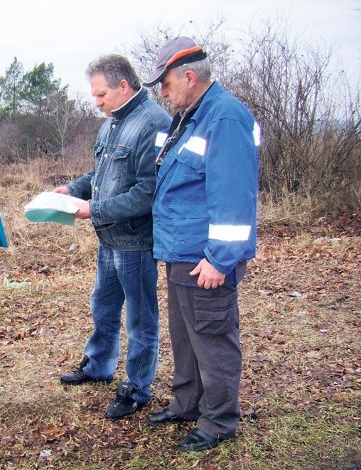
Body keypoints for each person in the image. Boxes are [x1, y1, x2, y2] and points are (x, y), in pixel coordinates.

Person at [143, 37, 260, 452]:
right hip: (179, 251)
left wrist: (220, 259)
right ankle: (187, 402)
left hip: (205, 258)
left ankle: (219, 420)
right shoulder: (190, 116)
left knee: (212, 338)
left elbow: (234, 195)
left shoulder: (224, 117)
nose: (162, 93)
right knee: (185, 336)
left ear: (189, 77)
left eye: (166, 84)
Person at [54, 54, 171, 420]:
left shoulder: (154, 123)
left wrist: (95, 210)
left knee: (140, 318)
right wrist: (72, 190)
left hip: (136, 242)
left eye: (102, 94)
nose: (97, 102)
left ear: (124, 86)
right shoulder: (111, 125)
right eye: (95, 96)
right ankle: (99, 366)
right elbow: (100, 173)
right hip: (108, 239)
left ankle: (138, 386)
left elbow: (148, 192)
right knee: (103, 307)